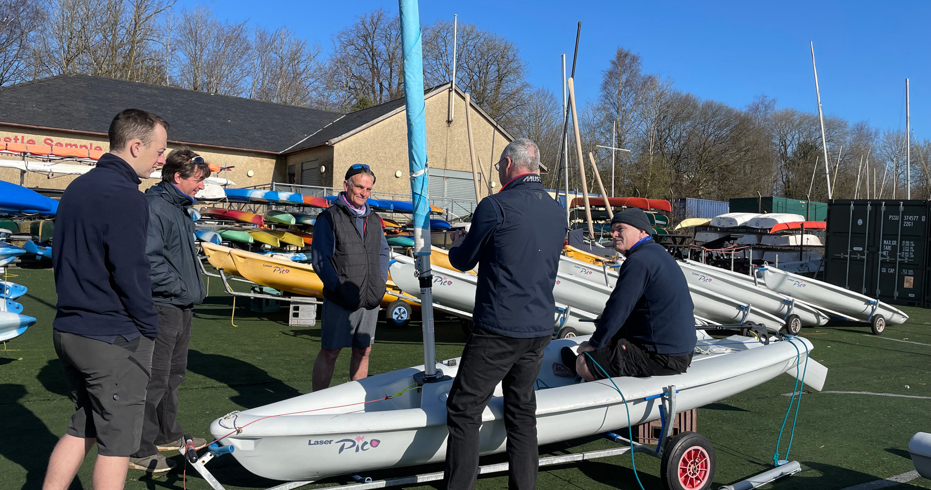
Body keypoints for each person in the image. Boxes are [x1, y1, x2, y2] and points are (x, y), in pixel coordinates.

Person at [44, 109, 168, 490]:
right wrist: (149, 327)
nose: (162, 159)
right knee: (117, 445)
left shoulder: (77, 188)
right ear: (135, 146)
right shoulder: (126, 197)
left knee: (84, 425)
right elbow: (132, 272)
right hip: (110, 337)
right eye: (159, 150)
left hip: (70, 329)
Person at [443, 138, 567, 490]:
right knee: (522, 411)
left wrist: (455, 243)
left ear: (509, 165)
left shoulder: (495, 206)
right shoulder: (556, 209)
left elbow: (464, 260)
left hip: (500, 327)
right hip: (540, 326)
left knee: (464, 408)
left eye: (499, 166)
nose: (498, 172)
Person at [128, 147, 210, 472]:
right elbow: (148, 259)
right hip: (162, 305)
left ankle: (166, 432)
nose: (201, 186)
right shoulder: (156, 206)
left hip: (180, 306)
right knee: (154, 377)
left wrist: (186, 292)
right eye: (197, 180)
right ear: (178, 177)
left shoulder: (179, 208)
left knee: (173, 375)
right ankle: (139, 448)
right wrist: (179, 287)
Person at [565, 207, 696, 382]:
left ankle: (591, 376)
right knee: (607, 327)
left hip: (663, 357)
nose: (614, 235)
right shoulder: (657, 254)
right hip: (679, 350)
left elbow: (618, 308)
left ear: (642, 231)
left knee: (582, 363)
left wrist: (594, 344)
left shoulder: (638, 261)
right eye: (613, 230)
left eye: (621, 229)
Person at [310, 164, 390, 391]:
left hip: (370, 298)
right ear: (346, 185)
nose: (364, 193)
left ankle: (357, 403)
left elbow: (383, 252)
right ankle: (317, 404)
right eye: (359, 187)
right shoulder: (329, 217)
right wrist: (338, 288)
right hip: (340, 299)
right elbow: (320, 260)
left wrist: (379, 283)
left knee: (363, 351)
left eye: (368, 189)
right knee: (331, 352)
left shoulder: (374, 220)